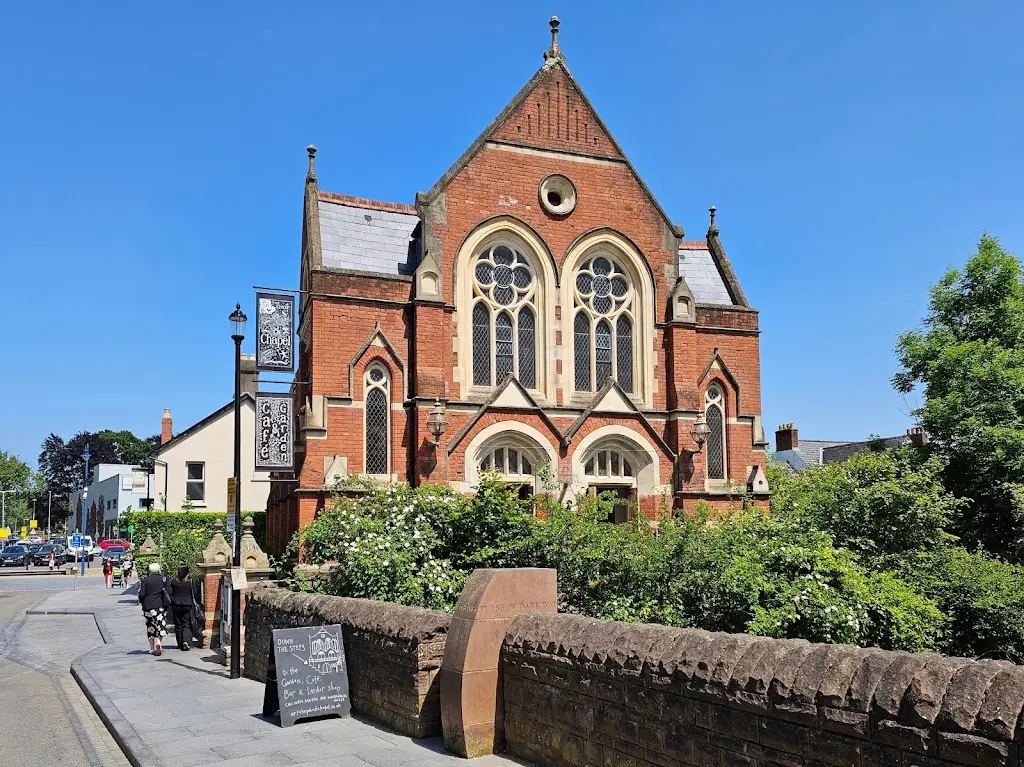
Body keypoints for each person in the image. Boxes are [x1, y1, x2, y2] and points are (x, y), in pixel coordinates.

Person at [138, 562, 170, 656]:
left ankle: (152, 648)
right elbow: (169, 590)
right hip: (159, 606)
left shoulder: (145, 580)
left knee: (150, 627)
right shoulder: (163, 579)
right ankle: (159, 643)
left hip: (148, 607)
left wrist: (143, 602)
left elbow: (141, 594)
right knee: (160, 625)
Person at [167, 563, 196, 651]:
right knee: (186, 624)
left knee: (178, 624)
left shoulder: (174, 581)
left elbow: (169, 592)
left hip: (176, 605)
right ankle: (186, 641)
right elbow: (194, 592)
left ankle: (179, 643)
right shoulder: (190, 582)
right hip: (187, 604)